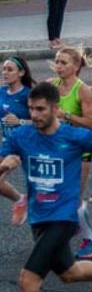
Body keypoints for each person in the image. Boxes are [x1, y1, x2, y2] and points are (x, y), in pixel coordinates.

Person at [0, 82, 92, 292]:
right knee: (69, 273)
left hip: (64, 216)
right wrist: (5, 166)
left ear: (55, 108)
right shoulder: (21, 136)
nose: (34, 115)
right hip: (38, 216)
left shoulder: (74, 136)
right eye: (31, 109)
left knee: (29, 281)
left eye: (40, 109)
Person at [50, 47, 92, 259]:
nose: (59, 66)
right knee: (55, 194)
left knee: (73, 196)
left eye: (63, 62)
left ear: (76, 66)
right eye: (57, 62)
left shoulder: (83, 90)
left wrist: (66, 115)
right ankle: (58, 236)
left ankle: (91, 239)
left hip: (79, 149)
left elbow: (91, 124)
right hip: (56, 148)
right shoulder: (50, 86)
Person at [2, 56, 34, 224]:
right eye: (4, 69)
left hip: (26, 145)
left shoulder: (28, 95)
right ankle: (21, 200)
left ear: (21, 73)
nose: (5, 73)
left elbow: (42, 121)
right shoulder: (1, 92)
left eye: (10, 69)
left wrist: (20, 121)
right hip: (7, 145)